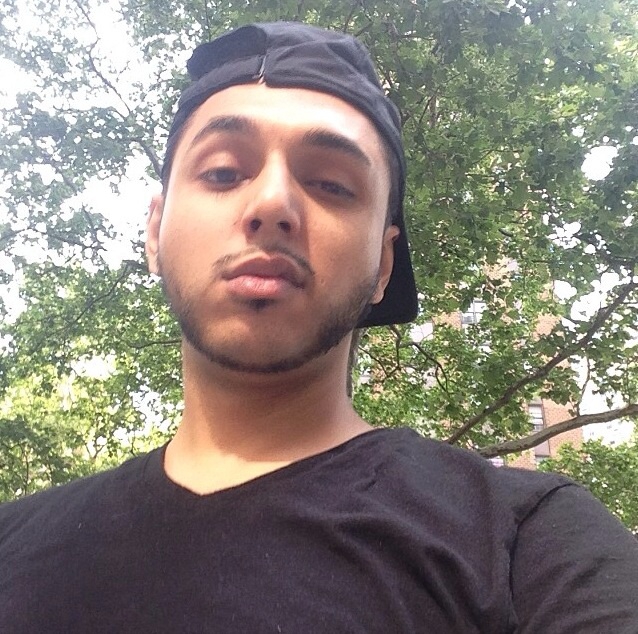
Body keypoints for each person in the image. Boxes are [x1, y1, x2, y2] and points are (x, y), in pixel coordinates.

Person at [0, 22, 637, 634]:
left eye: (331, 183)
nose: (272, 204)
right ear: (154, 232)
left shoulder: (530, 544)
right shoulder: (13, 546)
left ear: (383, 264)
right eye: (222, 172)